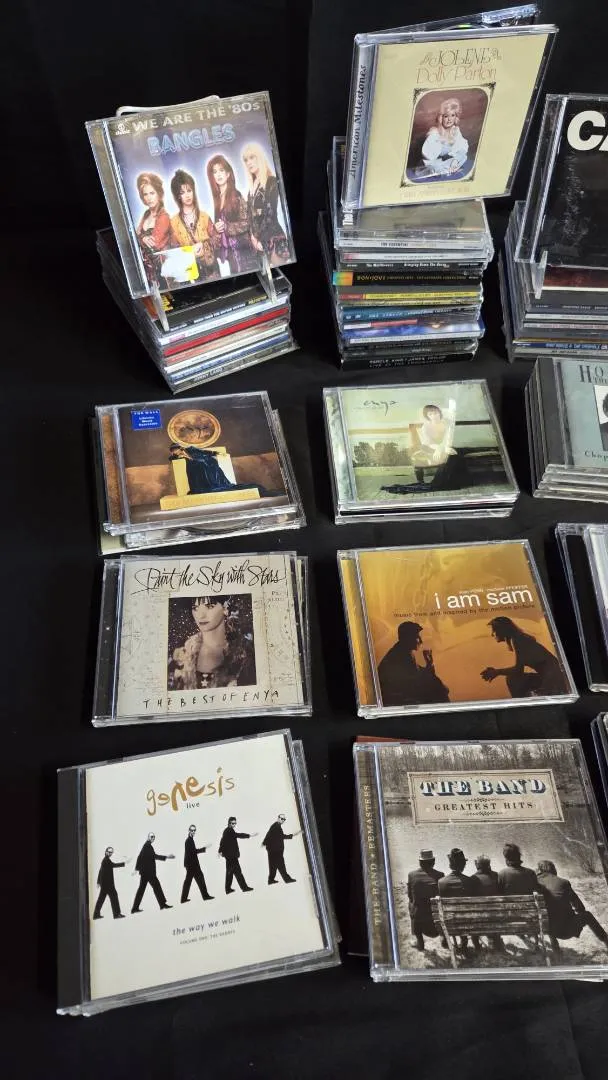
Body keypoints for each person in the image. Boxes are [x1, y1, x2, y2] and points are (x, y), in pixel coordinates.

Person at [170, 595, 256, 691]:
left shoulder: (245, 652)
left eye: (209, 606)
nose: (200, 616)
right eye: (195, 608)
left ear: (225, 608)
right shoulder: (184, 651)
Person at [480, 617, 565, 697]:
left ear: (502, 630)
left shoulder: (518, 640)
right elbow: (519, 669)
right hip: (552, 677)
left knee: (512, 679)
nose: (492, 634)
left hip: (554, 680)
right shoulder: (518, 639)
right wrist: (497, 672)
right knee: (512, 679)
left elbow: (518, 670)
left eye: (494, 630)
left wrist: (497, 672)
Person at [536, 860, 608, 954]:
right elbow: (580, 907)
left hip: (544, 928)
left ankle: (555, 948)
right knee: (587, 915)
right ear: (552, 869)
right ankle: (606, 940)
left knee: (548, 914)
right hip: (566, 930)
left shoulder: (534, 883)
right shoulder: (563, 882)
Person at [377, 621, 450, 707]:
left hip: (403, 693)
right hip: (396, 699)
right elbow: (413, 681)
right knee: (438, 690)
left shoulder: (403, 650)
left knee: (437, 686)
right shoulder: (400, 655)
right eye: (417, 637)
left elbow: (416, 673)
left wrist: (429, 664)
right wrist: (430, 670)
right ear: (408, 638)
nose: (421, 641)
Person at [206, 154, 256, 275]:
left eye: (221, 170)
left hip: (243, 252)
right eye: (215, 172)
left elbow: (247, 222)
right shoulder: (218, 199)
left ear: (228, 174)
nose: (218, 174)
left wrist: (227, 227)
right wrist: (216, 228)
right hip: (230, 253)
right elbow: (220, 228)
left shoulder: (236, 195)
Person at [242, 143, 289, 266]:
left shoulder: (271, 181)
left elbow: (270, 213)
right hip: (259, 243)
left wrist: (257, 238)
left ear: (259, 157)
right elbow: (250, 217)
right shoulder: (252, 188)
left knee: (282, 272)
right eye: (246, 160)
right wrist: (253, 238)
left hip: (274, 239)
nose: (249, 162)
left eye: (252, 157)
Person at [169, 168, 219, 281]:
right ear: (178, 196)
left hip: (212, 271)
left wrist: (203, 245)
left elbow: (217, 241)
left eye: (189, 190)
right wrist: (190, 252)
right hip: (190, 274)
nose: (187, 195)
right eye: (182, 192)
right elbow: (174, 250)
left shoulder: (204, 216)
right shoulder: (174, 222)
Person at [168, 442, 268, 498]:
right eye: (173, 451)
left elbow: (203, 452)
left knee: (202, 463)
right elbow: (170, 458)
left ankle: (211, 483)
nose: (175, 452)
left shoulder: (190, 449)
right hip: (195, 467)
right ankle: (202, 485)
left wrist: (216, 453)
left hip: (206, 461)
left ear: (179, 448)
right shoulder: (177, 456)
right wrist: (177, 456)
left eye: (175, 450)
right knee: (197, 466)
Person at [438, 848, 479, 955]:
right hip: (467, 922)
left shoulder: (441, 882)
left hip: (449, 923)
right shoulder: (470, 881)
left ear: (450, 864)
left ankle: (447, 940)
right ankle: (464, 942)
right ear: (463, 865)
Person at [135, 172, 172, 287]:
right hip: (148, 270)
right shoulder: (146, 214)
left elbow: (154, 243)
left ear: (159, 194)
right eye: (145, 194)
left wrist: (140, 238)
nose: (149, 198)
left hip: (162, 272)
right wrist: (142, 238)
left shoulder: (164, 216)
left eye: (152, 193)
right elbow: (135, 237)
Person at [407, 848, 446, 952]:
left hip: (420, 920)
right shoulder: (440, 875)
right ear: (433, 862)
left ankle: (420, 941)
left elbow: (410, 896)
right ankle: (444, 940)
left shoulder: (412, 875)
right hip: (436, 922)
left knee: (411, 904)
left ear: (420, 862)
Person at [420, 98, 469, 178]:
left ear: (456, 117)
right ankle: (448, 170)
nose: (449, 119)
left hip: (447, 161)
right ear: (441, 118)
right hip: (434, 163)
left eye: (452, 115)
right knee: (435, 167)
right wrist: (439, 142)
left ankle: (451, 168)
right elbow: (429, 157)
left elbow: (462, 148)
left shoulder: (455, 130)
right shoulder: (435, 133)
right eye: (446, 116)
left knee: (463, 157)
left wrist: (455, 160)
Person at [131, 833, 175, 913]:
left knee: (144, 889)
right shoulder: (147, 846)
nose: (153, 838)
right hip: (148, 872)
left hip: (145, 872)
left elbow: (139, 857)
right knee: (156, 887)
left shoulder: (146, 845)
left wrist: (136, 869)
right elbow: (154, 856)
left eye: (154, 837)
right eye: (151, 837)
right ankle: (162, 904)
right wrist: (167, 857)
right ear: (148, 837)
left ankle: (135, 908)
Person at [471, 855, 504, 954]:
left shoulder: (473, 879)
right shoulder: (496, 876)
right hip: (497, 917)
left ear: (477, 865)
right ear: (489, 865)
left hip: (479, 918)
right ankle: (496, 941)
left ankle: (477, 946)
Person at [218, 816, 258, 893]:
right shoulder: (229, 831)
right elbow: (238, 835)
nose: (234, 825)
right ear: (229, 823)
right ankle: (244, 888)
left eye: (235, 823)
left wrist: (220, 851)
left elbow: (222, 841)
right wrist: (249, 835)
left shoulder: (227, 830)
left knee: (230, 873)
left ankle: (228, 889)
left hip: (229, 856)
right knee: (237, 872)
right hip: (231, 856)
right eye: (232, 823)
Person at [262, 814, 300, 885]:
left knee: (273, 865)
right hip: (275, 850)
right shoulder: (276, 827)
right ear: (278, 818)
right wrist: (293, 835)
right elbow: (281, 836)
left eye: (284, 819)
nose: (283, 820)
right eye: (282, 819)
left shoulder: (275, 825)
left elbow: (268, 834)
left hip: (272, 849)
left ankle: (271, 880)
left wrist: (264, 843)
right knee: (281, 865)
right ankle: (287, 879)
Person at [92, 846, 129, 920]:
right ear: (106, 852)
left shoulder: (105, 860)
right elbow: (113, 865)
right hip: (108, 884)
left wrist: (98, 882)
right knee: (114, 896)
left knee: (101, 899)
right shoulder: (106, 860)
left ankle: (96, 915)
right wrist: (124, 863)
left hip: (104, 884)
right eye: (109, 852)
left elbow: (100, 871)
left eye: (111, 852)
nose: (110, 853)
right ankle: (116, 914)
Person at [181, 825, 214, 903]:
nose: (193, 832)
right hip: (191, 865)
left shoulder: (190, 840)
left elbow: (193, 852)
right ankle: (204, 896)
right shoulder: (188, 841)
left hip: (192, 864)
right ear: (189, 830)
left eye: (194, 830)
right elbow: (194, 852)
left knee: (192, 880)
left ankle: (184, 899)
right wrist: (204, 848)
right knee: (191, 880)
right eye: (192, 830)